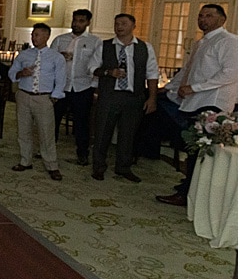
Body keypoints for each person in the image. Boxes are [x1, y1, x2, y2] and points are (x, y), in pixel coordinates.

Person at [154, 4, 237, 205]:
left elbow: (231, 73)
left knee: (200, 150)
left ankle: (189, 193)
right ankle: (190, 185)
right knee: (191, 147)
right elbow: (187, 70)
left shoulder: (229, 41)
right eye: (201, 16)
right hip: (194, 101)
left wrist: (195, 87)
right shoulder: (201, 43)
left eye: (209, 16)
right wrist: (169, 87)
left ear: (222, 19)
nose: (203, 19)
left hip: (212, 102)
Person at [88, 13, 159, 183]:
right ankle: (98, 166)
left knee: (128, 134)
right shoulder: (104, 46)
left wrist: (152, 98)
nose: (119, 27)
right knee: (102, 132)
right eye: (116, 24)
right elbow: (91, 68)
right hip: (109, 96)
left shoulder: (145, 47)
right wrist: (108, 72)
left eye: (123, 23)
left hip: (134, 97)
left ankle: (123, 167)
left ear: (133, 26)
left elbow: (152, 73)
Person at [8, 23, 66, 181]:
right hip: (24, 95)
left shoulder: (56, 57)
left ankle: (52, 165)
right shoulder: (24, 55)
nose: (34, 38)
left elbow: (61, 79)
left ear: (47, 36)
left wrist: (54, 96)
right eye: (33, 34)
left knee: (46, 133)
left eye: (38, 35)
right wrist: (22, 73)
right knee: (23, 130)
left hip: (43, 97)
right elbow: (12, 73)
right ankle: (25, 161)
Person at [51, 9, 100, 165]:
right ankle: (48, 149)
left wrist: (94, 87)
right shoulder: (60, 40)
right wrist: (60, 57)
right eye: (75, 20)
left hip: (82, 87)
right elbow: (49, 61)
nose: (77, 24)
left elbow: (97, 64)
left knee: (81, 122)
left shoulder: (95, 42)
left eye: (81, 21)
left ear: (87, 23)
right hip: (61, 86)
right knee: (53, 120)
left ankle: (82, 153)